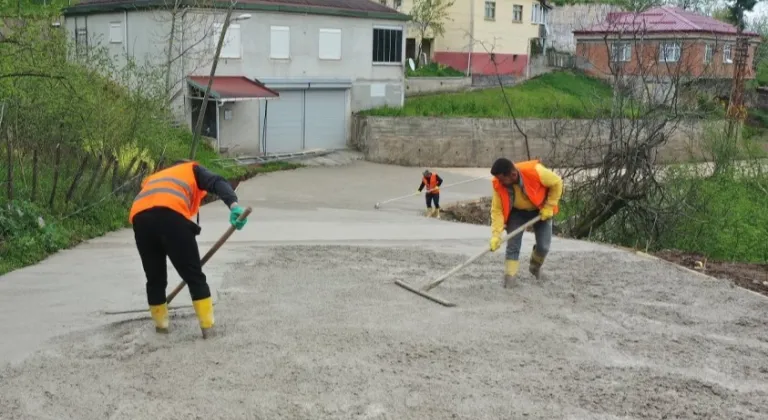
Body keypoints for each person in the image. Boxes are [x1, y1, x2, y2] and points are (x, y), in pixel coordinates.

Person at [128, 159, 248, 338]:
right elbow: (218, 182)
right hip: (171, 215)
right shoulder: (192, 169)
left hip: (140, 219)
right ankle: (209, 330)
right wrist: (234, 206)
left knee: (155, 279)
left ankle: (161, 329)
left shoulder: (155, 177)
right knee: (194, 276)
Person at [488, 158, 563, 288]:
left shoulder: (536, 172)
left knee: (543, 246)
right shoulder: (499, 184)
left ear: (513, 175)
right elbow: (497, 211)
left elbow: (557, 182)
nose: (499, 182)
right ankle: (510, 279)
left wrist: (549, 206)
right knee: (513, 245)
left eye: (502, 179)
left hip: (541, 209)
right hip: (517, 213)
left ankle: (535, 266)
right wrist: (496, 235)